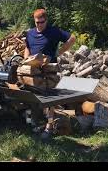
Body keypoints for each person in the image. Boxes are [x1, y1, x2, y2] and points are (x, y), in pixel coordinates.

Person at [24, 8, 76, 139]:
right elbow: (27, 47)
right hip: (33, 71)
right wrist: (26, 60)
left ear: (46, 20)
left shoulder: (54, 31)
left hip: (49, 71)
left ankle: (49, 126)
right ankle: (35, 123)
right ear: (34, 21)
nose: (39, 25)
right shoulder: (30, 33)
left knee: (51, 99)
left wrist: (59, 52)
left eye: (42, 22)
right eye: (37, 22)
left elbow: (72, 38)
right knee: (33, 98)